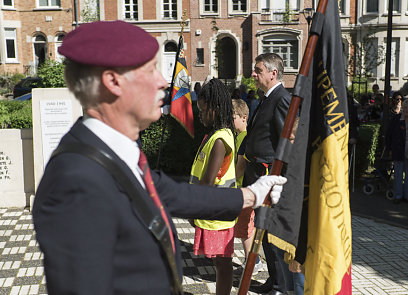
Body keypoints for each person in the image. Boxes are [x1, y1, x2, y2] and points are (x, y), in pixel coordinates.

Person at [32, 21, 287, 295]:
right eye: (150, 70)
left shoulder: (112, 150)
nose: (163, 82)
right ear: (113, 82)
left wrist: (252, 195)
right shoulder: (76, 180)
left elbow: (171, 193)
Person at [244, 52, 292, 295]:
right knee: (263, 232)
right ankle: (274, 280)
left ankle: (281, 286)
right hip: (257, 175)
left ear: (273, 73)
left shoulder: (282, 99)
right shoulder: (265, 98)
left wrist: (278, 180)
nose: (253, 74)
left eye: (258, 70)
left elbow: (286, 144)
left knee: (271, 233)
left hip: (269, 178)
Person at [190, 78, 238, 295]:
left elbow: (209, 181)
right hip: (216, 209)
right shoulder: (215, 135)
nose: (199, 115)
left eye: (203, 110)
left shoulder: (220, 139)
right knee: (221, 261)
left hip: (217, 212)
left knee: (223, 261)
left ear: (216, 109)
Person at [231, 99, 264, 275]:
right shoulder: (239, 136)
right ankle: (251, 259)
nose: (231, 120)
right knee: (243, 226)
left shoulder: (245, 137)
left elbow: (241, 165)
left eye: (233, 117)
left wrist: (232, 184)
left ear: (244, 117)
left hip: (243, 188)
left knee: (244, 226)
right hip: (242, 188)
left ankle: (254, 260)